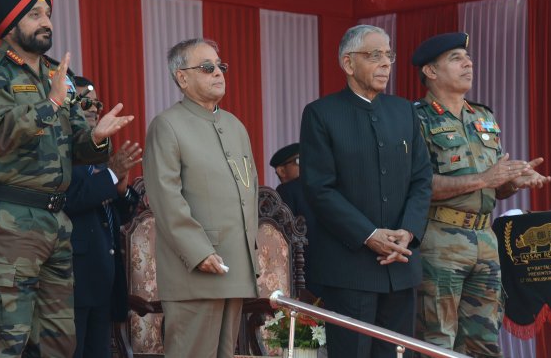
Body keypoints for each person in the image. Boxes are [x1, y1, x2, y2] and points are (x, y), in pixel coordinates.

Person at [0, 0, 134, 357]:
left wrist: (98, 138)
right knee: (8, 343)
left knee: (57, 344)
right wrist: (50, 103)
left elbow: (77, 144)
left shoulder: (59, 74)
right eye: (35, 14)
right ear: (10, 23)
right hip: (6, 222)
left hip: (56, 223)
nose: (46, 23)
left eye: (48, 15)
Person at [412, 32, 551, 357]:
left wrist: (513, 180)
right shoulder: (415, 118)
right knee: (438, 342)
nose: (468, 63)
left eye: (468, 57)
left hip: (485, 240)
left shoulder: (483, 117)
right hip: (441, 241)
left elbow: (494, 186)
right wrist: (485, 177)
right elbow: (419, 185)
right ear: (430, 72)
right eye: (456, 58)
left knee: (484, 343)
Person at [300, 24, 433, 358]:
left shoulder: (403, 111)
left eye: (389, 54)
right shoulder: (321, 114)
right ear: (348, 63)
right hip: (350, 267)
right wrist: (368, 233)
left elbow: (421, 178)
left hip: (400, 264)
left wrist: (409, 232)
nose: (386, 63)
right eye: (375, 55)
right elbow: (320, 189)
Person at [143, 38, 259, 358]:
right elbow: (165, 198)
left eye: (220, 66)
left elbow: (248, 195)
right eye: (207, 68)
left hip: (233, 268)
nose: (218, 73)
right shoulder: (167, 125)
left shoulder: (235, 126)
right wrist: (198, 251)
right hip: (194, 271)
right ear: (182, 77)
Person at [63, 76, 142, 358]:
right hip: (72, 278)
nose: (95, 108)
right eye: (85, 101)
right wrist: (109, 174)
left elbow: (114, 216)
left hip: (103, 276)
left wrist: (120, 191)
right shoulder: (60, 148)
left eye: (97, 102)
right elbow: (68, 199)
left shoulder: (98, 151)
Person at [270, 143, 320, 297]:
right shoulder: (288, 190)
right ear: (281, 170)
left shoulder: (319, 185)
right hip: (308, 270)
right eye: (298, 161)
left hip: (309, 270)